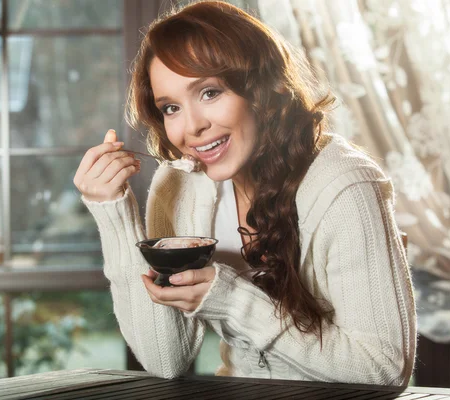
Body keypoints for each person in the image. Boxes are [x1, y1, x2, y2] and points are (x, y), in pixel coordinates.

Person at [73, 0, 416, 385]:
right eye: (170, 108)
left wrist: (230, 298)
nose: (192, 127)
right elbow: (164, 358)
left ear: (260, 89)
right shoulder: (179, 186)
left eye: (209, 93)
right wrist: (113, 212)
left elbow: (383, 369)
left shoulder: (344, 184)